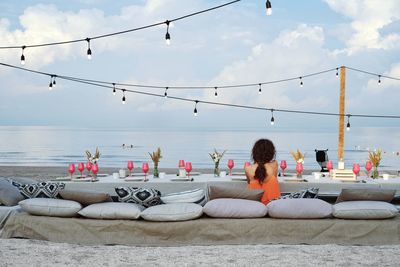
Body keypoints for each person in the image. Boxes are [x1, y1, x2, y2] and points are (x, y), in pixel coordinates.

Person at [245, 138, 281, 205]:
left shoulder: (248, 169)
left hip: (255, 205)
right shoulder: (274, 165)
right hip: (273, 205)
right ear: (271, 153)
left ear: (254, 153)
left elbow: (249, 183)